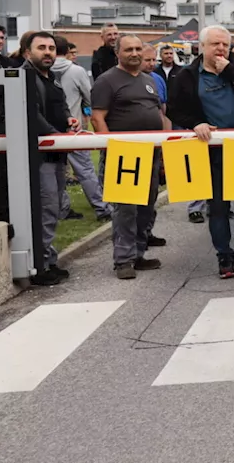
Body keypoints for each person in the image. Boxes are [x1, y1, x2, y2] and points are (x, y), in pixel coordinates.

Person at [167, 25, 234, 279]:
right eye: (215, 44)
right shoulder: (187, 75)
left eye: (225, 44)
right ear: (202, 46)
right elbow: (174, 108)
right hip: (211, 150)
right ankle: (224, 257)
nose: (220, 49)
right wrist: (195, 123)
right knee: (217, 207)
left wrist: (230, 69)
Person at [92, 35, 168, 279]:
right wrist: (109, 147)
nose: (134, 53)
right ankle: (123, 260)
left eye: (138, 49)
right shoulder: (107, 81)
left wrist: (165, 147)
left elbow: (159, 113)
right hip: (123, 154)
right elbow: (97, 118)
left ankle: (138, 253)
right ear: (118, 53)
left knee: (147, 206)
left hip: (151, 154)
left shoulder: (150, 80)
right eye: (129, 50)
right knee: (126, 209)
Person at [21, 31, 80, 285]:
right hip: (41, 156)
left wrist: (69, 119)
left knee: (55, 208)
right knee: (46, 209)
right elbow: (32, 116)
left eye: (51, 48)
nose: (48, 52)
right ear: (27, 52)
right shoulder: (25, 78)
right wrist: (56, 135)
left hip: (57, 152)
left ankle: (49, 260)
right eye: (41, 48)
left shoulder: (52, 77)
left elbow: (61, 105)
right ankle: (41, 266)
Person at [51, 38, 112, 222]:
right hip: (74, 128)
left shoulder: (41, 70)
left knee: (57, 172)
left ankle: (62, 208)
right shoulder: (76, 71)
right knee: (85, 171)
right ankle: (102, 208)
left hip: (49, 130)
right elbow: (89, 97)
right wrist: (86, 114)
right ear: (68, 50)